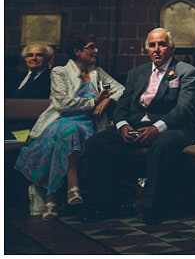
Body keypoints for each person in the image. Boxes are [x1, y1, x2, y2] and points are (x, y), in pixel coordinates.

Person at [81, 28, 195, 224]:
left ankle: (152, 208)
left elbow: (184, 109)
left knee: (162, 145)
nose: (157, 49)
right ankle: (101, 206)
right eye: (152, 45)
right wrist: (122, 126)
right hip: (135, 125)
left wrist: (157, 128)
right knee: (97, 142)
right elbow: (123, 105)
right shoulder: (137, 72)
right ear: (147, 50)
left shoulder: (185, 71)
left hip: (171, 127)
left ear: (171, 48)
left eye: (162, 44)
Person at [14, 32, 124, 219]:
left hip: (89, 124)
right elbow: (61, 104)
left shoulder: (97, 72)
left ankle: (51, 200)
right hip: (61, 121)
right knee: (70, 131)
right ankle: (72, 185)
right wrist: (93, 102)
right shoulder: (60, 72)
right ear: (77, 51)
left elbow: (122, 89)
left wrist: (107, 101)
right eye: (91, 47)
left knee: (67, 138)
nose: (96, 51)